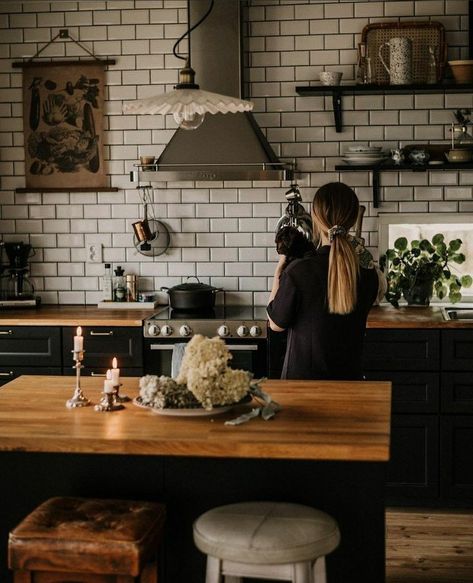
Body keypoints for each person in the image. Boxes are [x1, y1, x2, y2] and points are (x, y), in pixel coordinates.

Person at [267, 182, 379, 380]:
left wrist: (279, 272)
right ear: (353, 219)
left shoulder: (299, 271)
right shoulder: (368, 273)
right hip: (350, 385)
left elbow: (276, 324)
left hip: (303, 388)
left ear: (315, 217)